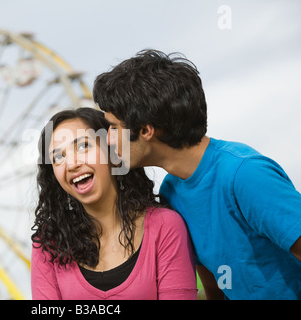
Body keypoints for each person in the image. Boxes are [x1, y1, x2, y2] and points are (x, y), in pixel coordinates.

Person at [92, 49, 301, 300]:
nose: (109, 140)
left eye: (113, 127)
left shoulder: (244, 174)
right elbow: (215, 290)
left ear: (146, 130)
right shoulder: (172, 190)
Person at [30, 107, 198, 300]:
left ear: (113, 152)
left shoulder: (165, 226)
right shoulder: (48, 245)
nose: (72, 164)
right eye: (58, 157)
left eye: (83, 146)